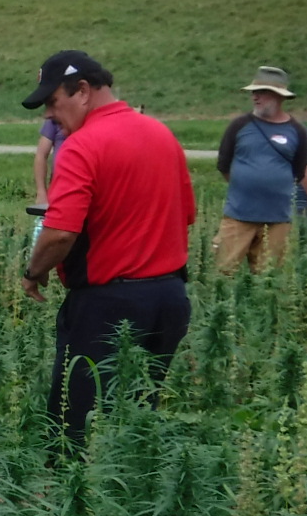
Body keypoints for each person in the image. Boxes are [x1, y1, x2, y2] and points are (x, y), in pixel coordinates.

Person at [21, 51, 195, 443]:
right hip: (169, 301)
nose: (47, 115)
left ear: (82, 91)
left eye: (52, 102)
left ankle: (70, 497)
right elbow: (185, 215)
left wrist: (34, 273)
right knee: (135, 419)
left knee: (76, 426)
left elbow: (60, 233)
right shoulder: (162, 134)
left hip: (108, 308)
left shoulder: (82, 145)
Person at [213, 68, 307, 273]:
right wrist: (248, 186)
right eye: (253, 92)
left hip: (277, 219)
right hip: (239, 215)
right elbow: (224, 165)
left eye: (262, 91)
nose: (255, 96)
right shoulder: (239, 125)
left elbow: (298, 172)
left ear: (279, 96)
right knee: (223, 272)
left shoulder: (297, 131)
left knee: (270, 277)